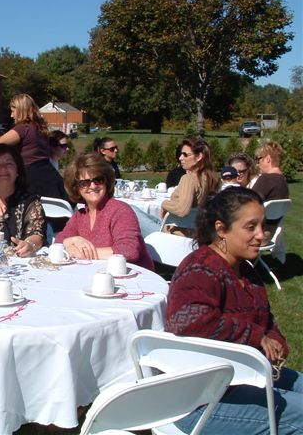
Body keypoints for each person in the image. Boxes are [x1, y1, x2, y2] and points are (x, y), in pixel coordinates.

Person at [165, 187, 302, 434]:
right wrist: (256, 336)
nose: (261, 235)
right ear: (221, 229)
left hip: (241, 378)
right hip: (198, 401)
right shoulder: (200, 268)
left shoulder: (246, 271)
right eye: (251, 227)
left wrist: (275, 341)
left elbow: (266, 319)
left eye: (262, 225)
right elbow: (186, 319)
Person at [54, 153, 154, 270]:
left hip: (131, 275)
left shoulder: (120, 210)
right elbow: (58, 243)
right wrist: (71, 241)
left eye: (98, 180)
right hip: (98, 273)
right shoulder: (80, 216)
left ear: (106, 182)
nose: (92, 186)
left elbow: (129, 251)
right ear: (76, 188)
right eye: (84, 183)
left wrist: (83, 253)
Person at [0, 94, 67, 200]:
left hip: (32, 178)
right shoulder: (39, 127)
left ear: (21, 110)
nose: (11, 115)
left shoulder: (23, 128)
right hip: (49, 175)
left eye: (13, 111)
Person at [161, 138, 219, 219]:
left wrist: (164, 204)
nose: (180, 158)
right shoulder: (212, 179)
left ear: (199, 157)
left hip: (179, 226)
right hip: (199, 225)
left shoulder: (188, 179)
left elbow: (182, 210)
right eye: (181, 154)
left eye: (185, 155)